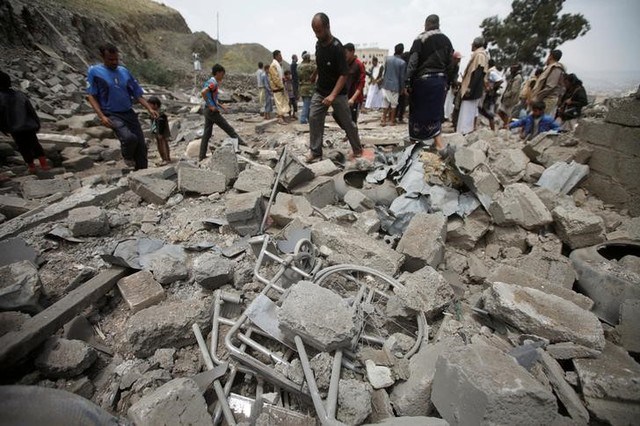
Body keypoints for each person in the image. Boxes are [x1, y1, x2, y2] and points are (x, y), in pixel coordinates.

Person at [86, 43, 157, 170]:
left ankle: (143, 174)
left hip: (128, 112)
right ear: (102, 57)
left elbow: (137, 93)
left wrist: (149, 108)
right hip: (111, 113)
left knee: (141, 146)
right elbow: (91, 96)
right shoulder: (95, 72)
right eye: (111, 60)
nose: (114, 62)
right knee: (129, 138)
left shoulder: (124, 71)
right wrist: (101, 116)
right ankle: (127, 156)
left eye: (116, 59)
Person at [306, 12, 363, 163]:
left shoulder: (338, 48)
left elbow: (344, 75)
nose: (317, 35)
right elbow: (320, 62)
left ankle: (357, 149)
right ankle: (316, 152)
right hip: (321, 90)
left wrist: (332, 96)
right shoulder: (318, 44)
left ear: (327, 27)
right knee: (314, 117)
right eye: (314, 31)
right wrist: (314, 74)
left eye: (319, 31)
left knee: (347, 123)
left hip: (338, 94)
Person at [405, 14, 454, 151]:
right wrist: (447, 81)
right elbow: (451, 64)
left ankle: (414, 145)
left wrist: (407, 81)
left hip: (423, 81)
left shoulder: (421, 38)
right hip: (439, 81)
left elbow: (413, 62)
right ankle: (439, 145)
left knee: (417, 112)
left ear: (426, 24)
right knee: (435, 112)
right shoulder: (446, 41)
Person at [0, 70, 49, 173]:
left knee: (23, 147)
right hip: (28, 125)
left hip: (15, 128)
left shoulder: (1, 98)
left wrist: (3, 128)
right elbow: (31, 110)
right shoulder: (20, 94)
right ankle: (44, 165)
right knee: (35, 144)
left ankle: (31, 167)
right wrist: (37, 123)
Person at [199, 63, 245, 160]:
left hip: (207, 110)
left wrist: (221, 105)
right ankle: (244, 146)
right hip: (211, 111)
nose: (223, 77)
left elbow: (211, 97)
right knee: (229, 129)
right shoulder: (214, 83)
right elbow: (203, 92)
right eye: (222, 74)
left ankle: (201, 156)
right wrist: (211, 106)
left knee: (206, 134)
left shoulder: (210, 81)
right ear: (218, 73)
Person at [456, 36, 489, 135]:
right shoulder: (479, 55)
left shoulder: (480, 55)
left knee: (467, 111)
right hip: (473, 88)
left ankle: (464, 131)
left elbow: (478, 73)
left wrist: (470, 88)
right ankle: (463, 131)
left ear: (475, 45)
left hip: (472, 89)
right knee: (467, 111)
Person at [532, 49, 566, 115]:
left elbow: (550, 87)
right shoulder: (550, 68)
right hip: (543, 99)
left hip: (547, 100)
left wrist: (537, 98)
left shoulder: (556, 68)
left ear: (551, 56)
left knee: (539, 121)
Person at [380, 43, 406, 127]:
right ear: (402, 51)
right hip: (395, 86)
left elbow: (385, 72)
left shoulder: (387, 59)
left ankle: (383, 120)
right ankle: (392, 121)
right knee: (394, 104)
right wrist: (402, 88)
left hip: (386, 84)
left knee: (385, 103)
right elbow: (401, 77)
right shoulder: (402, 62)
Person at [342, 43, 366, 127]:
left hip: (354, 98)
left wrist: (353, 98)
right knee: (340, 116)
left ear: (352, 52)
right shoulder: (344, 64)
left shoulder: (359, 65)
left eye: (346, 53)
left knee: (353, 120)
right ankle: (349, 133)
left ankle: (352, 137)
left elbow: (361, 84)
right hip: (345, 96)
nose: (344, 55)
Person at [478, 59, 503, 131]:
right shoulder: (492, 71)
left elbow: (500, 80)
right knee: (484, 111)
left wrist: (491, 88)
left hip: (489, 95)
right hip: (489, 94)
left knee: (487, 112)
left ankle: (493, 129)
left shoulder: (491, 72)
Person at [497, 63, 523, 128]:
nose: (511, 70)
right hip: (508, 99)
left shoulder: (518, 78)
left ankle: (506, 126)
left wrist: (506, 94)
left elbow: (514, 90)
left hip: (511, 100)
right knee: (501, 112)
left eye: (512, 69)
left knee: (504, 113)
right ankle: (506, 125)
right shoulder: (514, 77)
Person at [147, 96, 171, 165]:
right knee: (159, 145)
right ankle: (163, 158)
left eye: (150, 104)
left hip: (162, 132)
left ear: (156, 105)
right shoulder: (153, 112)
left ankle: (166, 158)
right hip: (156, 131)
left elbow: (161, 123)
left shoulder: (161, 113)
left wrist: (160, 133)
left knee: (163, 144)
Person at [268, 50, 290, 124]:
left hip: (280, 87)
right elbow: (275, 78)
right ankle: (280, 118)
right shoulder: (273, 65)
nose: (281, 57)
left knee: (282, 102)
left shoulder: (278, 65)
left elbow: (279, 77)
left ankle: (281, 116)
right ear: (276, 56)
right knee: (279, 103)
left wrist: (283, 80)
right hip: (277, 88)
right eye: (280, 55)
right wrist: (281, 86)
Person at [297, 51, 316, 124]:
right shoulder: (310, 66)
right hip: (309, 87)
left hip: (302, 87)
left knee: (307, 103)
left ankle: (307, 118)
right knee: (307, 104)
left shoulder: (298, 66)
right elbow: (317, 68)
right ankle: (303, 119)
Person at [443, 51, 462, 122]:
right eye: (458, 59)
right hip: (446, 83)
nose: (459, 60)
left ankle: (446, 115)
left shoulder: (456, 66)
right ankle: (444, 115)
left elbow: (454, 76)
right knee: (446, 100)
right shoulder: (449, 65)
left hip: (450, 85)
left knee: (449, 101)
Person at [395, 51, 411, 123]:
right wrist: (404, 87)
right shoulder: (404, 64)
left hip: (395, 85)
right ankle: (400, 117)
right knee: (402, 102)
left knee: (396, 102)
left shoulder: (398, 63)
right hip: (401, 86)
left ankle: (395, 116)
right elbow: (403, 76)